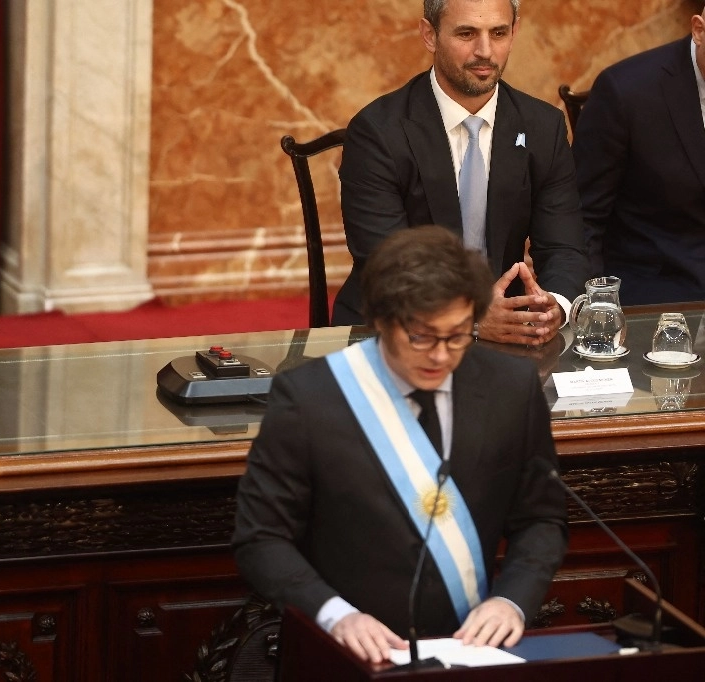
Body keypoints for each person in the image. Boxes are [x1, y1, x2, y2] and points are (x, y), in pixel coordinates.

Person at [233, 225, 568, 664]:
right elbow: (261, 538)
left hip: (471, 653)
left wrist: (512, 601)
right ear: (383, 322)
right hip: (345, 652)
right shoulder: (310, 398)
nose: (441, 356)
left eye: (456, 335)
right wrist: (336, 616)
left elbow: (542, 518)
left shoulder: (510, 386)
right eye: (421, 337)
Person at [335, 0, 588, 346]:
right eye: (466, 33)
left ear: (514, 32)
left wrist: (553, 308)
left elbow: (564, 247)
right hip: (398, 331)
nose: (485, 51)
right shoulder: (377, 131)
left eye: (498, 33)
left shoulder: (543, 127)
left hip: (508, 329)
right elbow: (387, 264)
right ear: (429, 35)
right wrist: (469, 319)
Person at [573, 7, 705, 305]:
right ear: (698, 29)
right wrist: (598, 308)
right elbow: (582, 217)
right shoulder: (625, 92)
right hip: (657, 290)